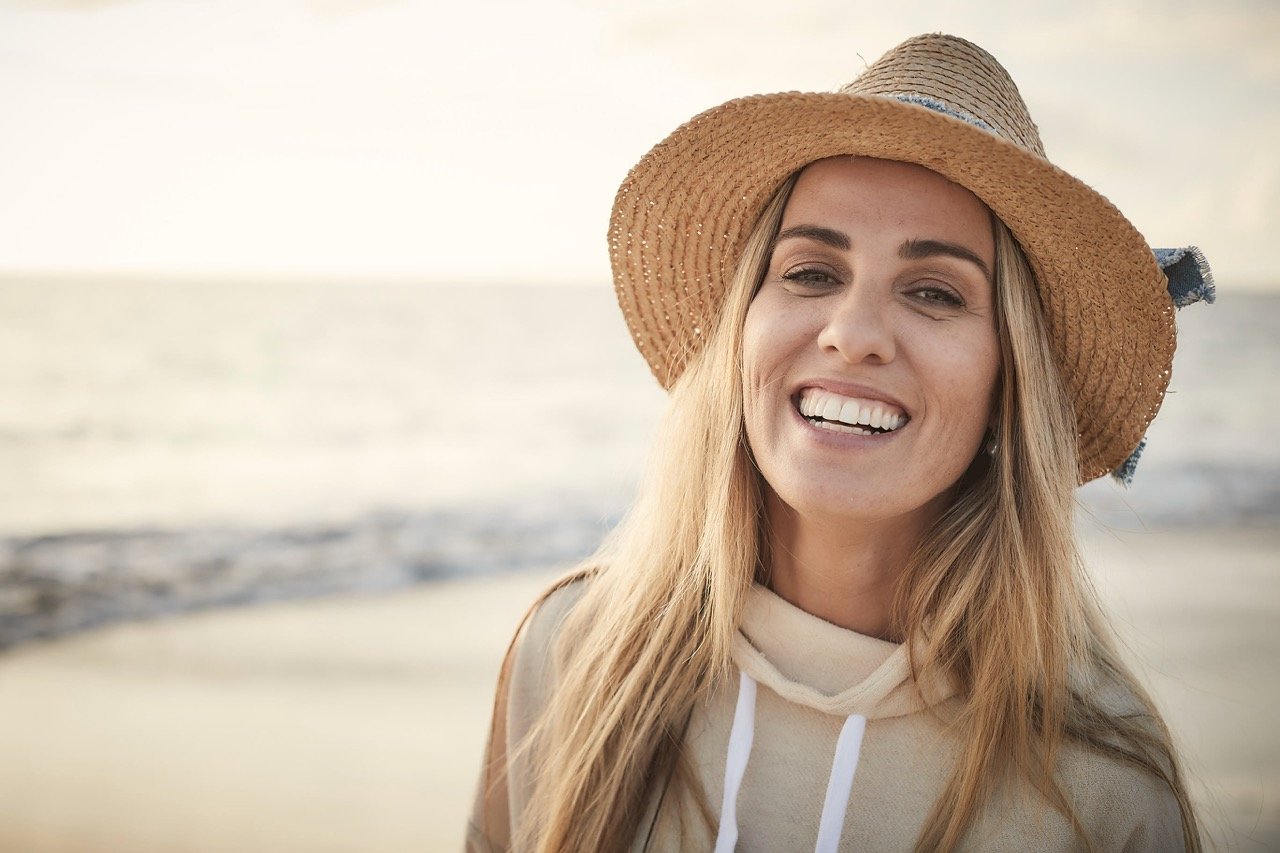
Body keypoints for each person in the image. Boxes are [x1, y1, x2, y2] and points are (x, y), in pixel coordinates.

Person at [467, 33, 1214, 852]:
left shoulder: (1102, 785)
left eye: (934, 291)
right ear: (741, 331)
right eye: (811, 272)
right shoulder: (574, 652)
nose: (853, 335)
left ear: (1012, 383)